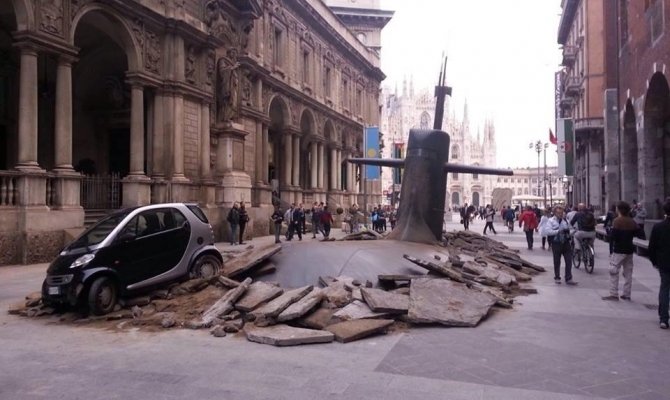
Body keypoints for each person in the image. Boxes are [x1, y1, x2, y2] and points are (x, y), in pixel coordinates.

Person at [602, 201, 639, 301]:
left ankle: (614, 293)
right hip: (629, 250)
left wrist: (609, 232)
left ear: (619, 209)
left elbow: (613, 236)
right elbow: (639, 232)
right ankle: (627, 294)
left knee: (613, 271)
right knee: (628, 272)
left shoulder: (617, 221)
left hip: (619, 250)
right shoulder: (632, 221)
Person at [649, 201, 670, 329]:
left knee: (665, 289)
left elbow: (652, 247)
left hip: (664, 262)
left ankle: (664, 319)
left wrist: (654, 261)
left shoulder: (658, 227)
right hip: (664, 262)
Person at [545, 206, 578, 285]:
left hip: (566, 243)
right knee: (557, 261)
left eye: (561, 213)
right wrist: (558, 231)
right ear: (555, 213)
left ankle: (568, 278)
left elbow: (571, 229)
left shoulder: (565, 221)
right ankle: (557, 277)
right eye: (559, 213)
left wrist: (570, 233)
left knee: (568, 261)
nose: (560, 214)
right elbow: (548, 231)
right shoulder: (551, 221)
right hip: (556, 243)